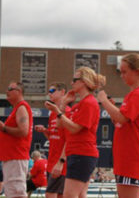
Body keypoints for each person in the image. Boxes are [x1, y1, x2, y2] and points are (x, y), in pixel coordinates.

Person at [45, 67, 106, 198]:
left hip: (82, 154)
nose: (71, 83)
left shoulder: (89, 102)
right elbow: (61, 125)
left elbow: (75, 128)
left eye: (74, 80)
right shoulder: (78, 105)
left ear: (83, 82)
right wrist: (63, 104)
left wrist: (58, 111)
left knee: (69, 195)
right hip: (75, 154)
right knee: (78, 195)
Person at [98, 53, 139, 198]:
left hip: (131, 155)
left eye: (124, 72)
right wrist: (111, 109)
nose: (121, 76)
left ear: (137, 72)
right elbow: (120, 121)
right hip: (125, 155)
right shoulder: (133, 94)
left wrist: (104, 101)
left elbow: (123, 118)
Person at [0, 81, 33, 198]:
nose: (7, 91)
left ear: (19, 91)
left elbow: (23, 131)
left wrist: (4, 128)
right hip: (13, 158)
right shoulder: (18, 108)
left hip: (16, 157)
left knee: (16, 193)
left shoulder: (21, 107)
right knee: (12, 192)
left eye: (10, 89)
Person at [35, 82, 69, 198]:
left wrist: (61, 162)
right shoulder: (52, 114)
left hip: (61, 164)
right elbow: (52, 138)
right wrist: (45, 130)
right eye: (49, 91)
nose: (49, 94)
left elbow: (69, 140)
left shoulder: (67, 112)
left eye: (52, 91)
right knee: (59, 195)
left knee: (50, 194)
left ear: (62, 92)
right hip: (51, 161)